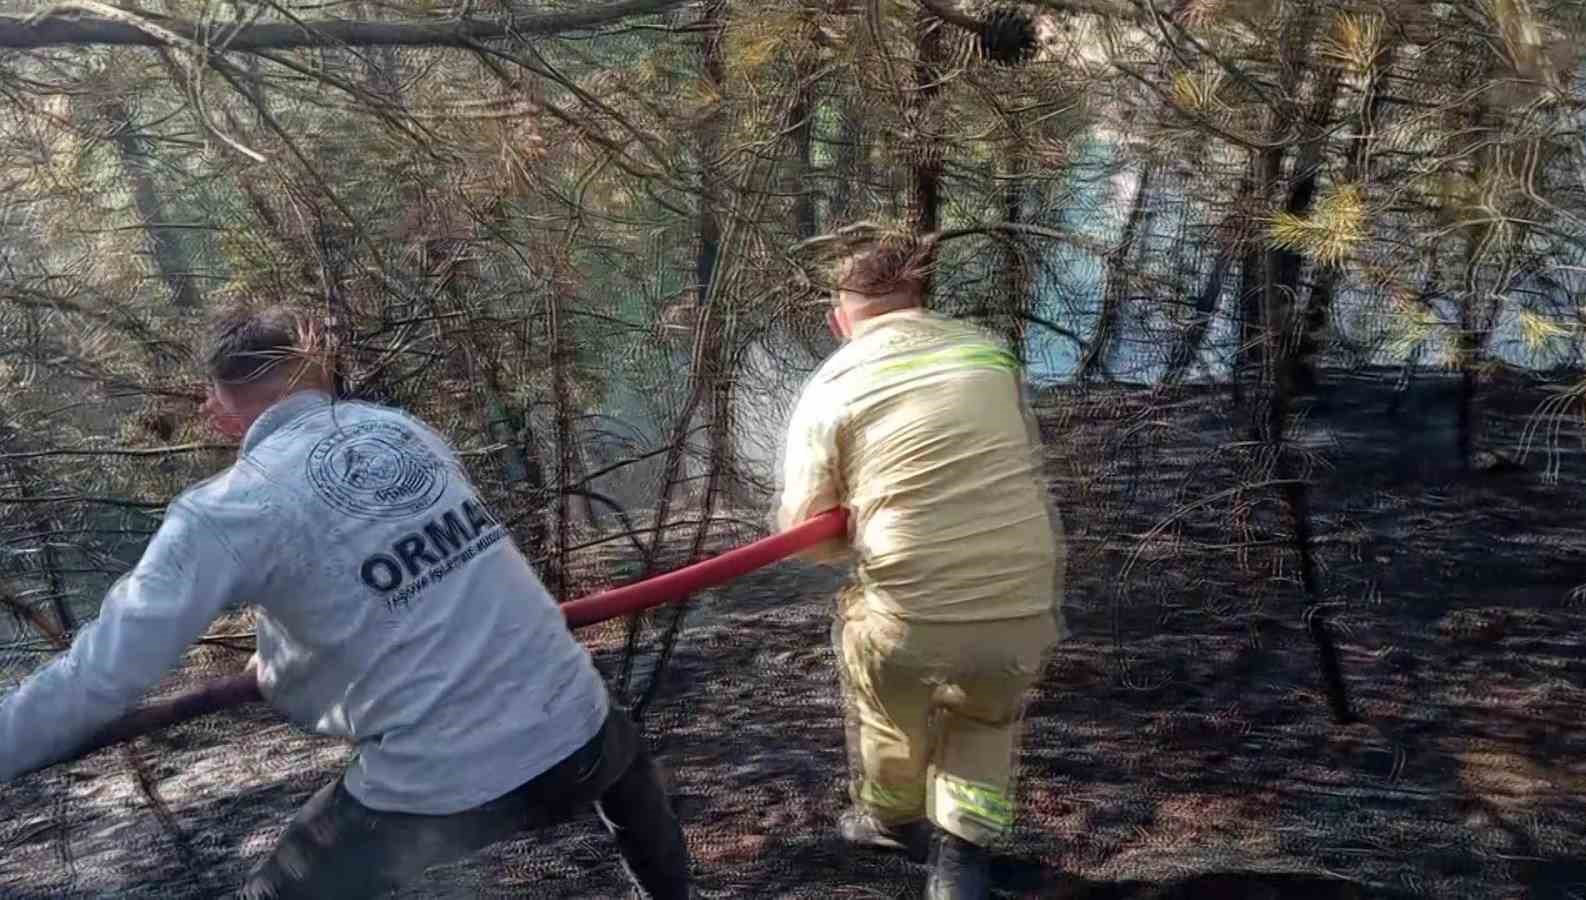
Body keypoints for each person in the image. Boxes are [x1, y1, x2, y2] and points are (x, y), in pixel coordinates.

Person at [0, 306, 695, 899]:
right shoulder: (404, 432)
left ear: (219, 403)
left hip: (449, 788)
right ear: (319, 370)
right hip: (580, 733)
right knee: (626, 765)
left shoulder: (225, 509)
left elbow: (100, 675)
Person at [775, 237, 1064, 899]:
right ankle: (962, 860)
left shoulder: (832, 382)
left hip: (915, 612)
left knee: (887, 699)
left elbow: (807, 538)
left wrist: (860, 521)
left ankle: (893, 819)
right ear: (918, 303)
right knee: (986, 719)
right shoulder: (987, 351)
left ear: (840, 319)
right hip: (1024, 593)